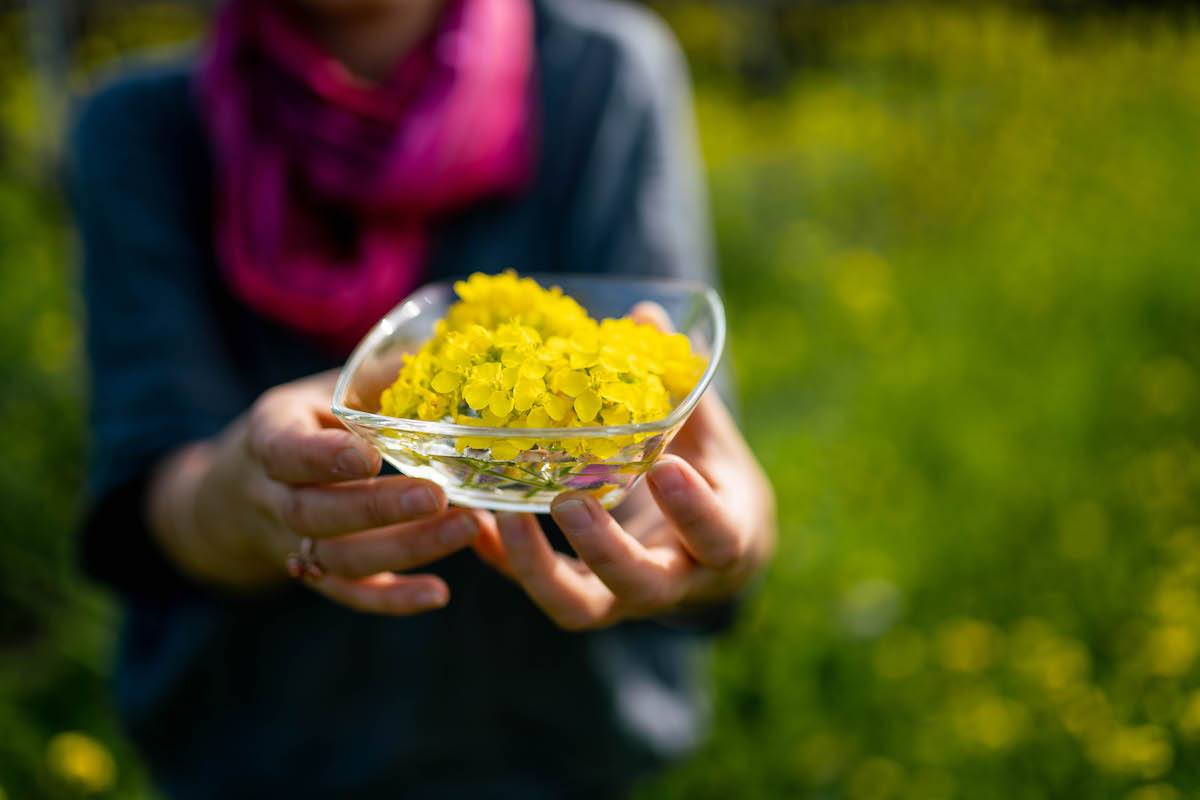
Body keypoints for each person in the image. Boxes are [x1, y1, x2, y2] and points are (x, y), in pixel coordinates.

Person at [68, 0, 776, 796]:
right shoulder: (137, 126)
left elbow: (692, 430)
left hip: (559, 749)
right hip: (265, 750)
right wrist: (241, 500)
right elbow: (142, 498)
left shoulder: (602, 72)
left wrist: (710, 537)